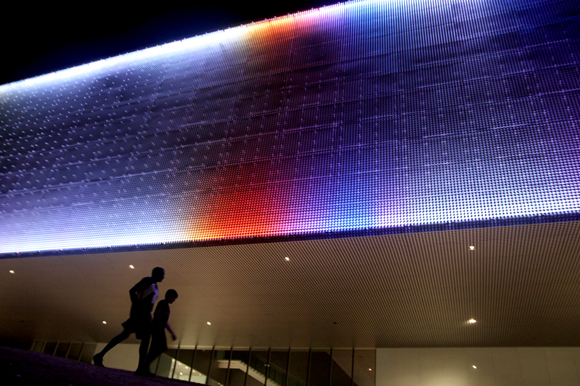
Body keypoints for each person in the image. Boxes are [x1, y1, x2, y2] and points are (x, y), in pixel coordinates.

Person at [93, 267, 165, 371]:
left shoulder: (153, 284)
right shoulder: (148, 281)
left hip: (143, 314)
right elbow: (132, 291)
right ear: (156, 274)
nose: (163, 277)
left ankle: (100, 355)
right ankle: (141, 367)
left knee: (127, 335)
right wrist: (136, 305)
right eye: (162, 274)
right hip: (141, 315)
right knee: (143, 339)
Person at [138, 289, 178, 377]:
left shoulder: (166, 306)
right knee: (161, 347)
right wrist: (159, 327)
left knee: (156, 348)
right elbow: (156, 314)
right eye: (173, 298)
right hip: (157, 328)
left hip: (159, 328)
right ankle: (145, 366)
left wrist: (171, 332)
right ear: (170, 297)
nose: (174, 300)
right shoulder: (163, 303)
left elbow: (165, 321)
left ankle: (145, 366)